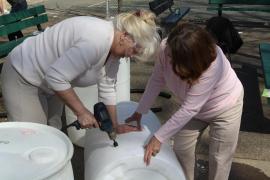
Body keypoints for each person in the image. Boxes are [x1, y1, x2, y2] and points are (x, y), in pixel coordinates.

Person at [1, 10, 160, 133]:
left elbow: (107, 88)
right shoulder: (95, 40)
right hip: (23, 74)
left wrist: (114, 126)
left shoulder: (114, 50)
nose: (130, 56)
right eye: (134, 50)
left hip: (50, 81)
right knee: (33, 136)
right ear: (124, 36)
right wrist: (82, 112)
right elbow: (56, 77)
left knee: (54, 129)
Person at [126, 23, 244, 180]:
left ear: (193, 60)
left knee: (219, 158)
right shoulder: (166, 48)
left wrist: (158, 137)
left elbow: (189, 109)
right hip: (194, 109)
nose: (170, 61)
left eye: (176, 60)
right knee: (181, 148)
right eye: (169, 56)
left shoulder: (213, 65)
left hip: (226, 106)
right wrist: (141, 110)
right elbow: (157, 79)